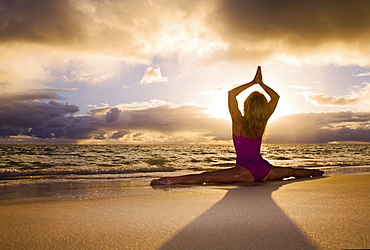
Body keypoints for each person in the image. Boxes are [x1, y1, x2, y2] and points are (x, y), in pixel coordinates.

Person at [150, 66, 323, 186]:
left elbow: (232, 94)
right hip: (265, 170)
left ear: (246, 105)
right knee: (291, 171)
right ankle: (315, 172)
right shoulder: (262, 121)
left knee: (208, 176)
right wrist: (262, 84)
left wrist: (253, 82)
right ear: (262, 108)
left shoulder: (238, 121)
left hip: (245, 171)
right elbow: (276, 98)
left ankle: (169, 180)